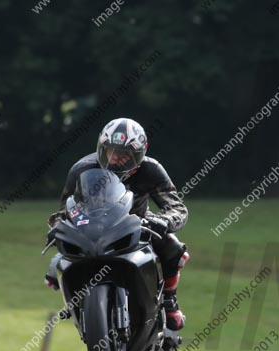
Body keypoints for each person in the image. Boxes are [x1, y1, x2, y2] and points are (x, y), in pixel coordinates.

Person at [46, 118, 189, 330]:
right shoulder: (82, 169)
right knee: (59, 259)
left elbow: (177, 207)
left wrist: (164, 221)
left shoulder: (151, 170)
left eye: (123, 155)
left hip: (138, 227)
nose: (115, 159)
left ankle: (169, 300)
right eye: (110, 151)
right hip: (91, 228)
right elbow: (62, 211)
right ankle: (76, 302)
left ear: (139, 155)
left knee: (175, 249)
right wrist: (58, 227)